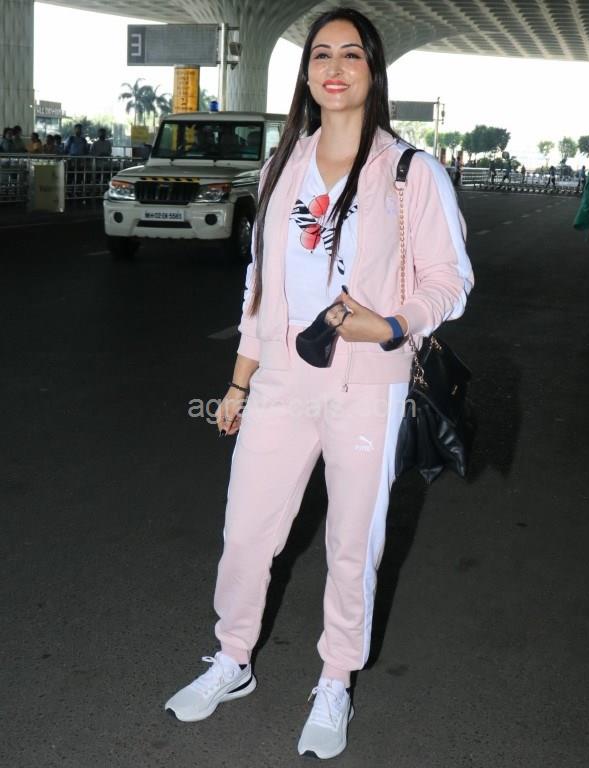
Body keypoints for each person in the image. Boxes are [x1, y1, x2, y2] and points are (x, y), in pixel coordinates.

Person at [164, 7, 474, 761]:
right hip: (279, 381)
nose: (334, 68)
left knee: (350, 545)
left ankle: (335, 678)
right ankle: (232, 658)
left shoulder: (409, 171)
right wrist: (238, 383)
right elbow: (258, 288)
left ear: (373, 70)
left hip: (367, 385)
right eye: (320, 55)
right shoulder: (282, 166)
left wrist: (392, 324)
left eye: (351, 55)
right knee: (246, 531)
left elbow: (450, 280)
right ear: (306, 75)